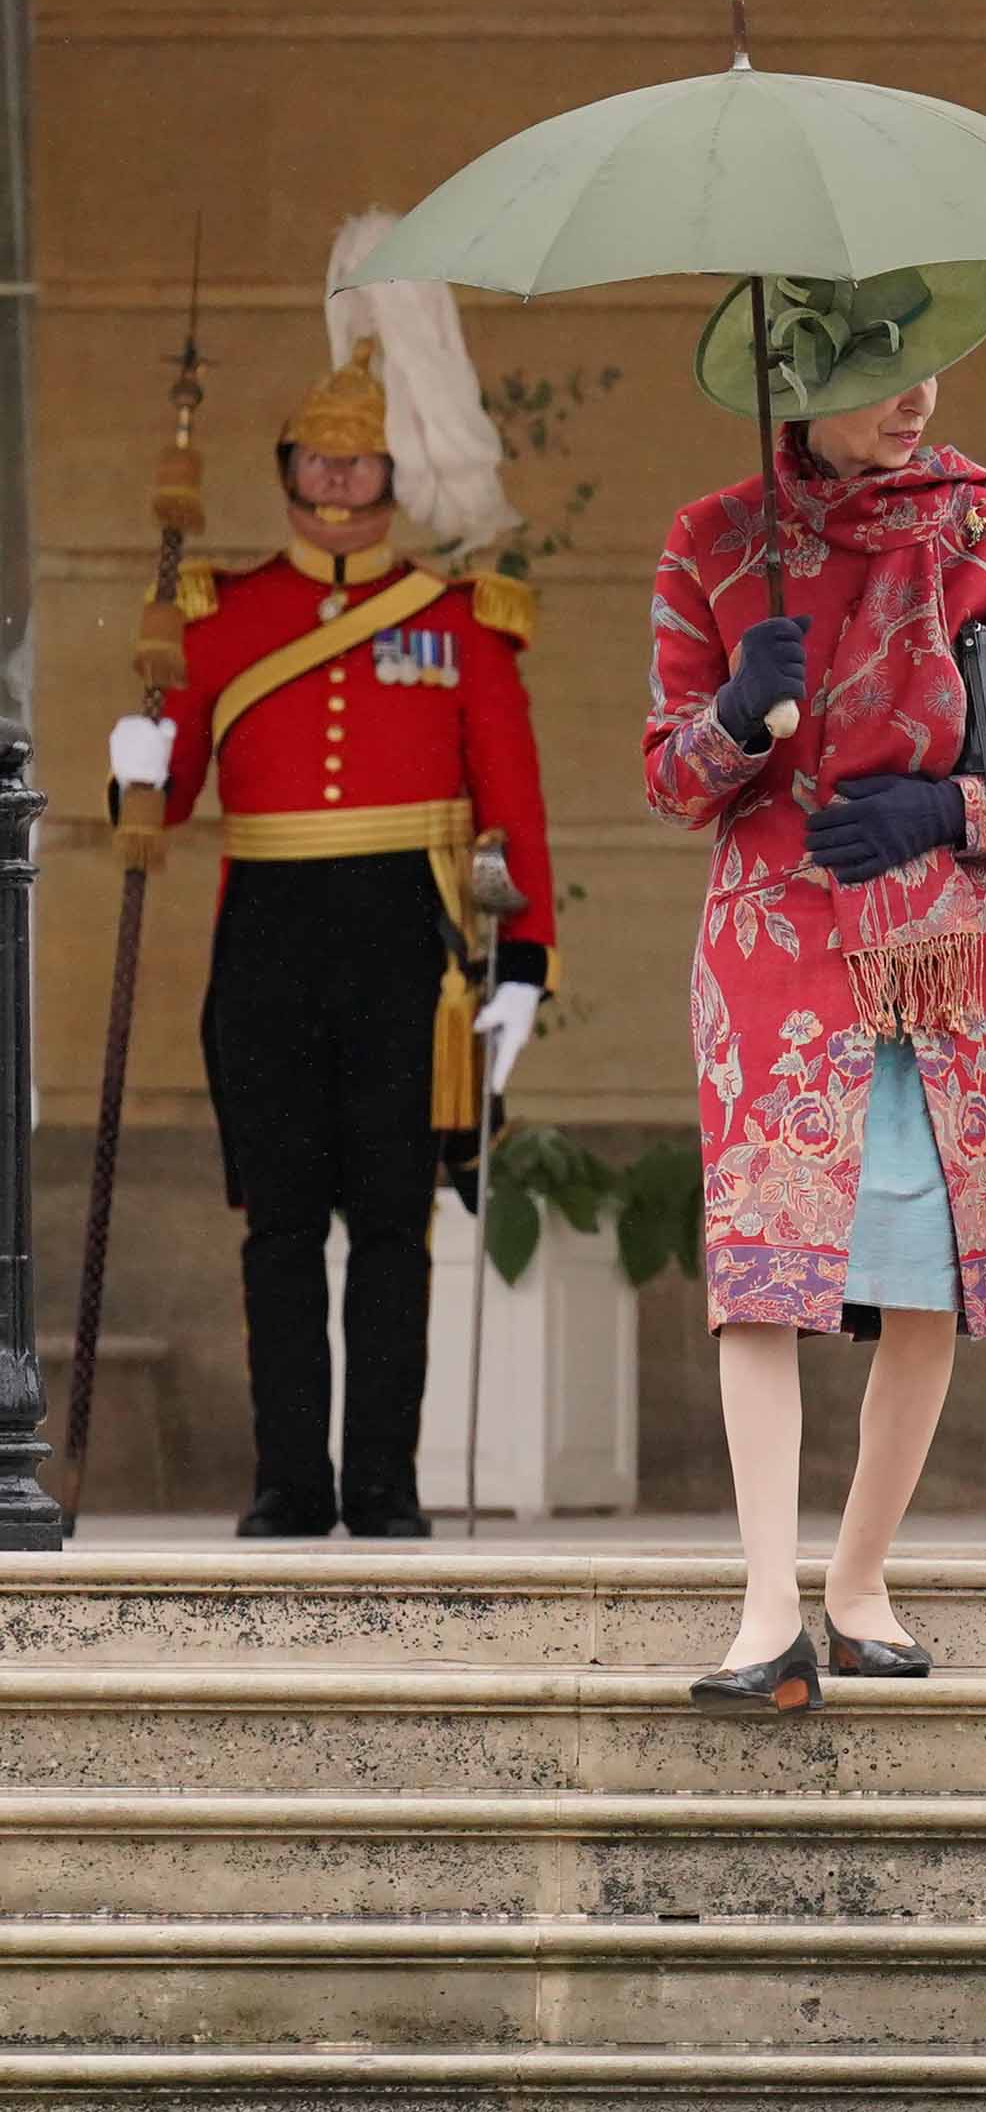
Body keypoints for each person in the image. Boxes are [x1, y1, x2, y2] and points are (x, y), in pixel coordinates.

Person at [643, 264, 986, 1713]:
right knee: (763, 1281)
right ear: (799, 384)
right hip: (776, 945)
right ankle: (764, 1607)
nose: (916, 399)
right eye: (881, 373)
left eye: (931, 370)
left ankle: (858, 1580)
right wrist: (739, 717)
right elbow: (672, 776)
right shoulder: (716, 542)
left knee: (925, 1280)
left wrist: (950, 815)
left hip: (940, 947)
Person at [108, 247, 554, 1539]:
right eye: (318, 461)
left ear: (395, 474)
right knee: (281, 1227)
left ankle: (384, 1483)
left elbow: (512, 802)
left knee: (395, 1229)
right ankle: (290, 1483)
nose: (341, 481)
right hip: (269, 935)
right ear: (289, 473)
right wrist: (135, 765)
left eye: (361, 463)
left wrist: (523, 957)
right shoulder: (217, 615)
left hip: (402, 939)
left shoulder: (466, 621)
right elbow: (170, 801)